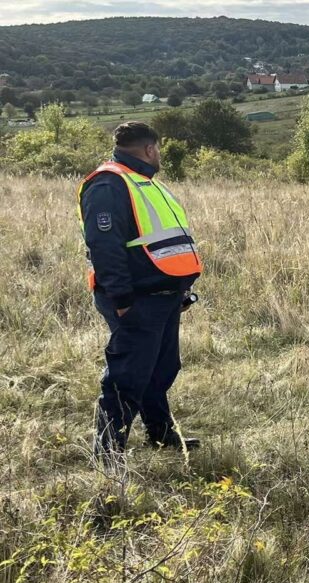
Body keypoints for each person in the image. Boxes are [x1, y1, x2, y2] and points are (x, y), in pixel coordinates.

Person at [79, 121, 203, 461]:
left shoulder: (143, 183)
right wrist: (121, 300)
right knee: (127, 376)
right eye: (159, 149)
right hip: (136, 300)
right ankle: (107, 453)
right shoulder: (108, 184)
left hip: (163, 297)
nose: (159, 155)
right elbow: (105, 247)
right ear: (150, 149)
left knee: (160, 370)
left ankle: (162, 435)